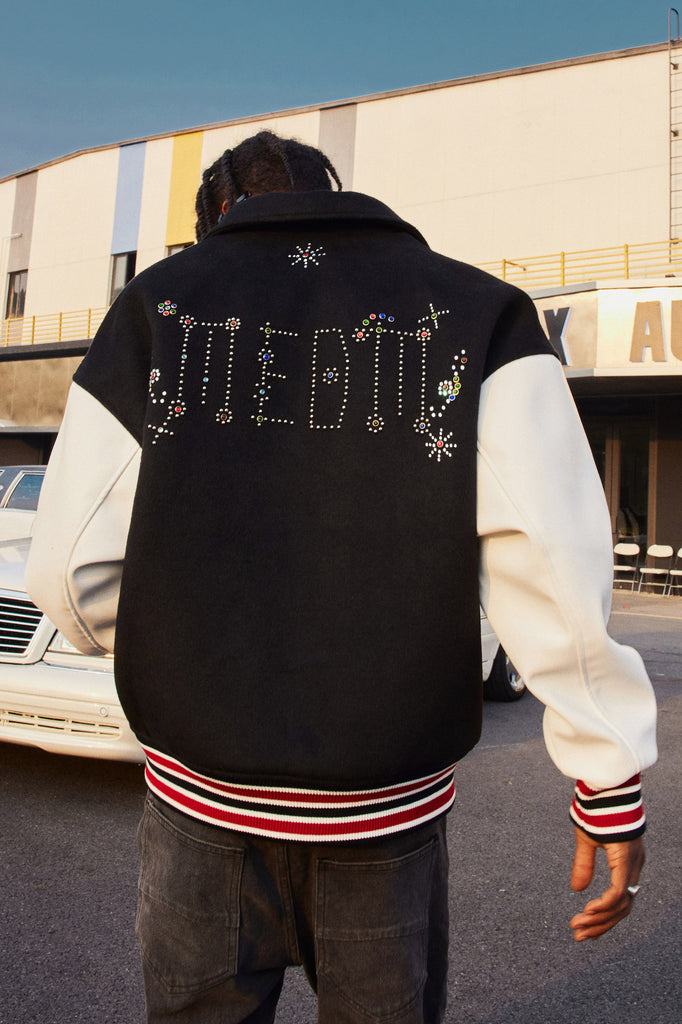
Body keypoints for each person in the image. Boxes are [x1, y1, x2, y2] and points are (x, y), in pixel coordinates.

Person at [26, 130, 657, 1024]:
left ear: (217, 215)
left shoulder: (159, 307)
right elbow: (549, 558)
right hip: (384, 815)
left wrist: (191, 649)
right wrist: (607, 777)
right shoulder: (478, 312)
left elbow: (70, 568)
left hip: (202, 803)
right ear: (331, 192)